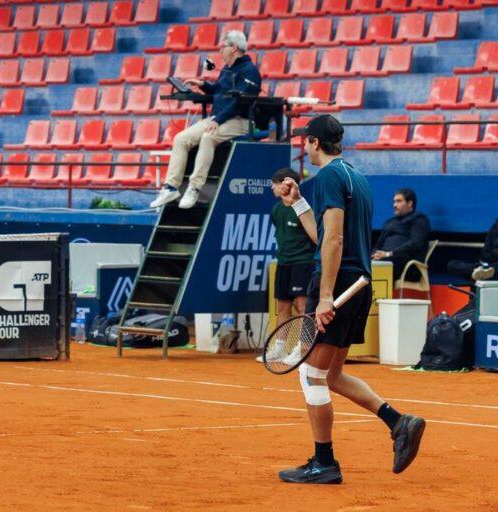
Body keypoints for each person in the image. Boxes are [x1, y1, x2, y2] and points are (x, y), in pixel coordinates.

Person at [277, 114, 425, 484]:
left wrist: (325, 296)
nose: (303, 147)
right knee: (333, 374)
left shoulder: (327, 177)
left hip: (338, 284)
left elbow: (334, 240)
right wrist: (298, 204)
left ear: (313, 142)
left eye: (305, 141)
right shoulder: (356, 177)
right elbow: (325, 234)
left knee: (312, 375)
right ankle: (398, 422)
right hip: (359, 283)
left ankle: (324, 462)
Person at [150, 30, 262, 210]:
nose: (220, 51)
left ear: (233, 48)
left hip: (240, 120)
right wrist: (203, 85)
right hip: (218, 118)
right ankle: (171, 187)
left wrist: (218, 119)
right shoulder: (227, 69)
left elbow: (241, 102)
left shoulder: (250, 72)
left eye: (222, 47)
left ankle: (194, 187)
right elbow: (218, 90)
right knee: (181, 139)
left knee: (208, 137)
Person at [257, 168, 316, 364]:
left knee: (303, 307)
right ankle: (280, 348)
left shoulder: (303, 207)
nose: (272, 188)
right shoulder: (276, 210)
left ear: (286, 184)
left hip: (303, 262)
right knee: (282, 307)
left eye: (275, 184)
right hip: (284, 263)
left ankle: (302, 348)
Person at [371, 188, 430, 281]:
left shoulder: (419, 219)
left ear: (410, 203)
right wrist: (374, 255)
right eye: (394, 201)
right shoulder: (390, 222)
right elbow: (379, 244)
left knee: (383, 265)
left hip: (407, 265)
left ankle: (380, 295)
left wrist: (389, 254)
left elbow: (415, 243)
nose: (394, 205)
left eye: (399, 201)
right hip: (384, 259)